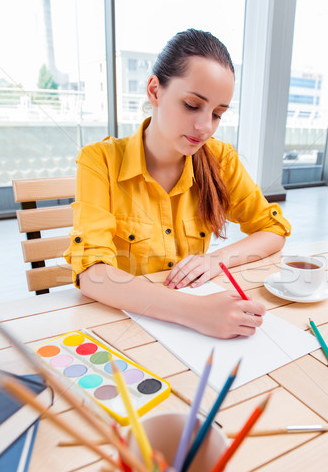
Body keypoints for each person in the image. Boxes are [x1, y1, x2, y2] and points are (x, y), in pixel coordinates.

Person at [64, 29, 291, 339]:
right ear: (155, 91)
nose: (205, 127)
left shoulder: (221, 159)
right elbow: (92, 276)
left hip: (193, 327)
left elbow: (274, 230)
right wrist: (194, 312)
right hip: (122, 326)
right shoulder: (99, 161)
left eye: (217, 114)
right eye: (192, 105)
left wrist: (214, 261)